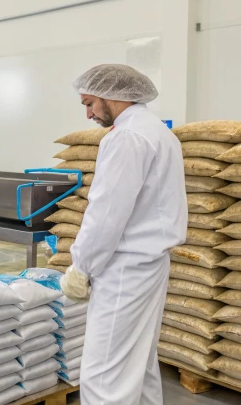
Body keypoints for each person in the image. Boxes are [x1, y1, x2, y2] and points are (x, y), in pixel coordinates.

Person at [61, 64, 187, 404]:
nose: (88, 114)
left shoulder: (125, 138)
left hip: (123, 270)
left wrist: (81, 266)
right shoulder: (160, 133)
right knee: (139, 364)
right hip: (150, 265)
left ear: (109, 96)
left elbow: (106, 214)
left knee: (104, 375)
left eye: (89, 103)